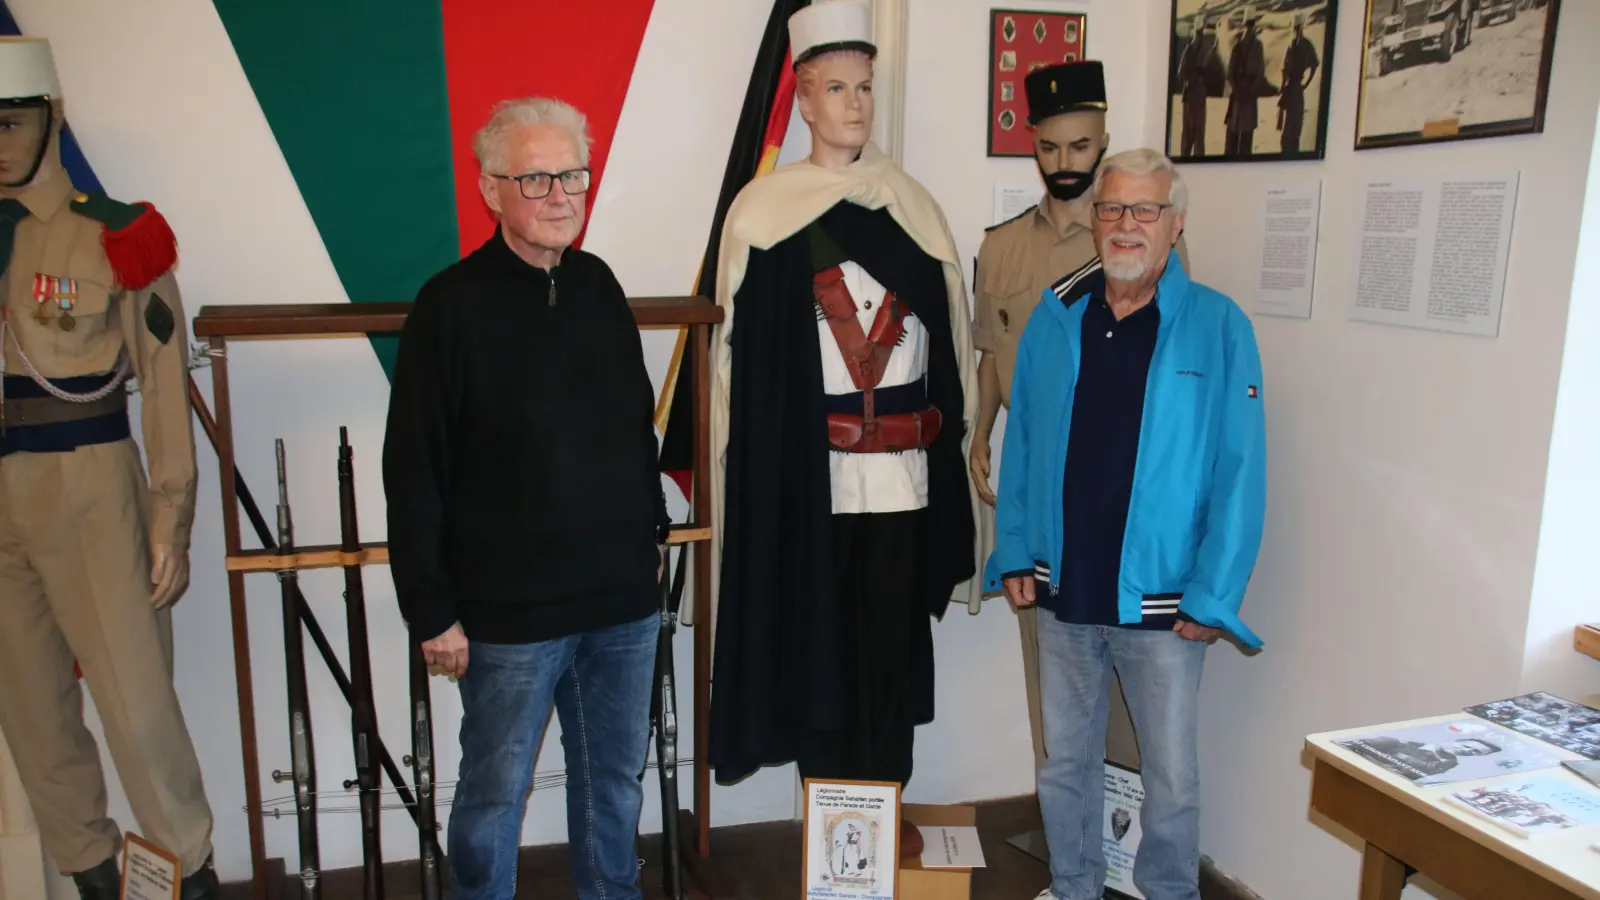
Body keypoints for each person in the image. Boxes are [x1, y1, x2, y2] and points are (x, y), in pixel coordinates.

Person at [706, 0, 979, 855]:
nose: (855, 105)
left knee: (888, 654)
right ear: (804, 100)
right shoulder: (765, 215)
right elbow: (738, 374)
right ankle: (834, 823)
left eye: (864, 87)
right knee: (817, 647)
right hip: (810, 482)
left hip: (901, 480)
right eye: (835, 88)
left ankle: (887, 809)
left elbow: (953, 347)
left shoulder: (913, 207)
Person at [383, 96, 669, 900]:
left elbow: (633, 426)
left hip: (620, 602)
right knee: (491, 800)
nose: (559, 193)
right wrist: (430, 608)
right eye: (535, 176)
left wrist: (650, 530)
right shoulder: (449, 306)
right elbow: (413, 468)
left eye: (571, 173)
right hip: (506, 615)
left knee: (614, 787)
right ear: (490, 189)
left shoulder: (599, 285)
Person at [986, 149, 1266, 900]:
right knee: (1063, 763)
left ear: (1176, 225)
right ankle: (1074, 886)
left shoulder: (1217, 325)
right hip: (1066, 587)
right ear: (1096, 220)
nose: (1126, 225)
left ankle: (1169, 893)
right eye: (1113, 209)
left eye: (1145, 210)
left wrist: (1214, 594)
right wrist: (1013, 547)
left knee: (1171, 775)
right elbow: (1025, 441)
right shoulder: (1058, 316)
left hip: (1165, 600)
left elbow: (1241, 471)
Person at [0, 36, 219, 900]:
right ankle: (92, 874)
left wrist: (173, 515)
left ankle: (188, 874)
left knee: (135, 706)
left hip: (86, 482)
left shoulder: (120, 236)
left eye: (11, 122)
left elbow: (164, 385)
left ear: (51, 119)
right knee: (30, 709)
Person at [973, 60, 1189, 769]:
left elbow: (1174, 360)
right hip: (1039, 493)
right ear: (1031, 145)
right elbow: (989, 357)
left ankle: (1120, 863)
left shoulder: (1141, 241)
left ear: (1103, 140)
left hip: (1124, 499)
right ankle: (1069, 853)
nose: (1064, 165)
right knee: (1052, 686)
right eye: (1048, 148)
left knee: (1133, 711)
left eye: (1081, 147)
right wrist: (979, 434)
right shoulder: (1002, 248)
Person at [1176, 14, 1224, 157]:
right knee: (1199, 132)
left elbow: (1181, 72)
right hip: (1201, 93)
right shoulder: (1208, 47)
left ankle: (1184, 157)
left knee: (1187, 131)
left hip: (1190, 93)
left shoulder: (1190, 48)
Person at [1224, 10, 1266, 157]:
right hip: (1249, 93)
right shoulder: (1258, 46)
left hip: (1237, 94)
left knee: (1233, 133)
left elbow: (1229, 73)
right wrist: (1251, 91)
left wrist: (1236, 91)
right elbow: (1260, 73)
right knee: (1246, 136)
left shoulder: (1237, 46)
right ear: (1254, 24)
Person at [1278, 14, 1319, 155]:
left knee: (1291, 126)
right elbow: (1314, 64)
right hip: (1293, 89)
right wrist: (1305, 83)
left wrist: (1305, 83)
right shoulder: (1300, 45)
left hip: (1293, 88)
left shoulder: (1297, 45)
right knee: (1293, 126)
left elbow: (1313, 65)